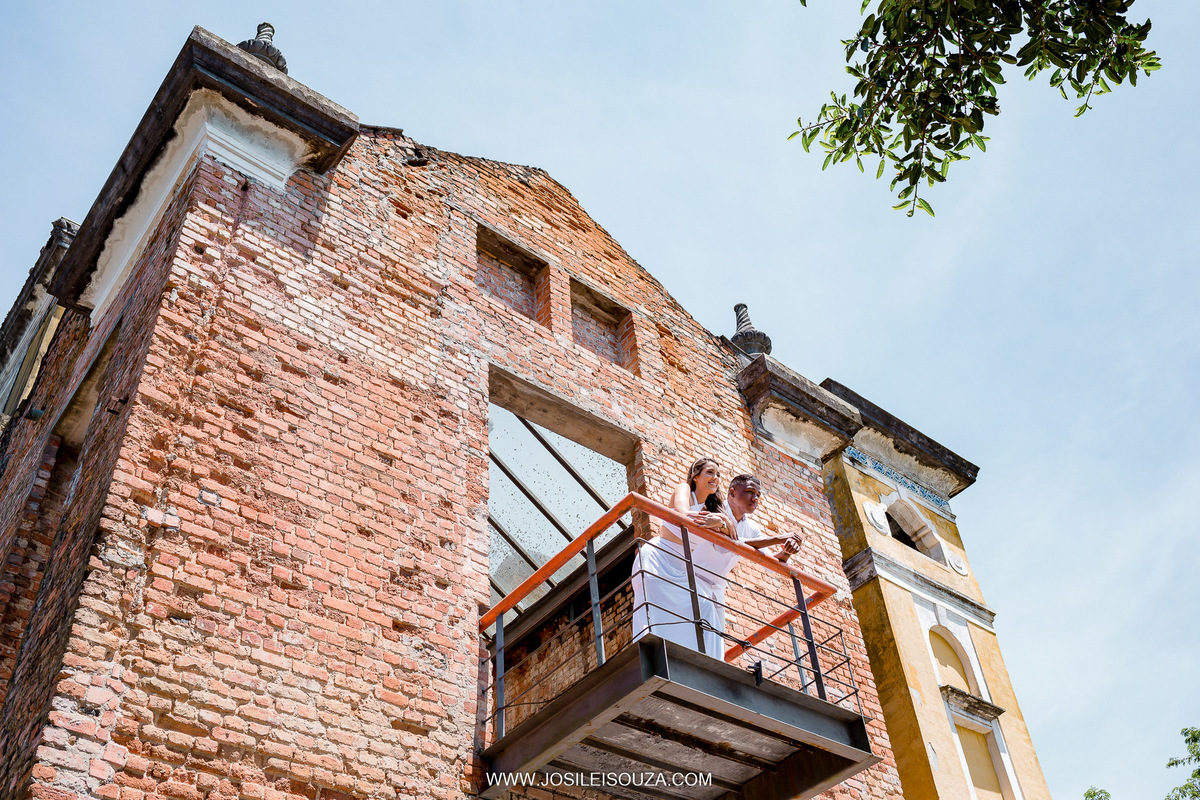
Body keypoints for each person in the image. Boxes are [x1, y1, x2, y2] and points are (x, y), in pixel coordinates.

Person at [631, 462, 802, 657]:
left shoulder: (733, 519)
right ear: (731, 493)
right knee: (666, 613)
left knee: (713, 635)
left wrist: (786, 551)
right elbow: (726, 543)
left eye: (758, 495)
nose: (755, 498)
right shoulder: (712, 508)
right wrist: (724, 522)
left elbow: (770, 561)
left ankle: (701, 668)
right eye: (749, 492)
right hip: (684, 570)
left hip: (712, 583)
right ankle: (654, 654)